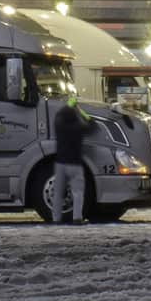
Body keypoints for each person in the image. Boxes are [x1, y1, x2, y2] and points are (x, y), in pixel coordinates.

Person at [51, 95, 93, 223]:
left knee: (58, 193)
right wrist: (80, 111)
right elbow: (91, 124)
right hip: (75, 164)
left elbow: (58, 115)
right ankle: (77, 218)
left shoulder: (59, 126)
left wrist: (69, 105)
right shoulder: (78, 128)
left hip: (60, 163)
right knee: (78, 192)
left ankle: (56, 219)